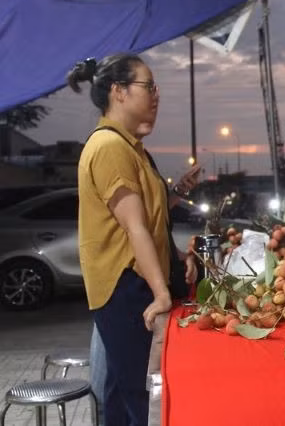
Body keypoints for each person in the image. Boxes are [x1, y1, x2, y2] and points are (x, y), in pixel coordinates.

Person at [69, 54, 197, 425]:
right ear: (119, 91)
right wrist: (160, 294)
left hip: (135, 282)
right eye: (148, 86)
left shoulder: (131, 149)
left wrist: (175, 257)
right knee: (139, 397)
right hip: (125, 288)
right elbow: (133, 228)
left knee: (120, 393)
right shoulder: (109, 147)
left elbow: (152, 224)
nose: (156, 95)